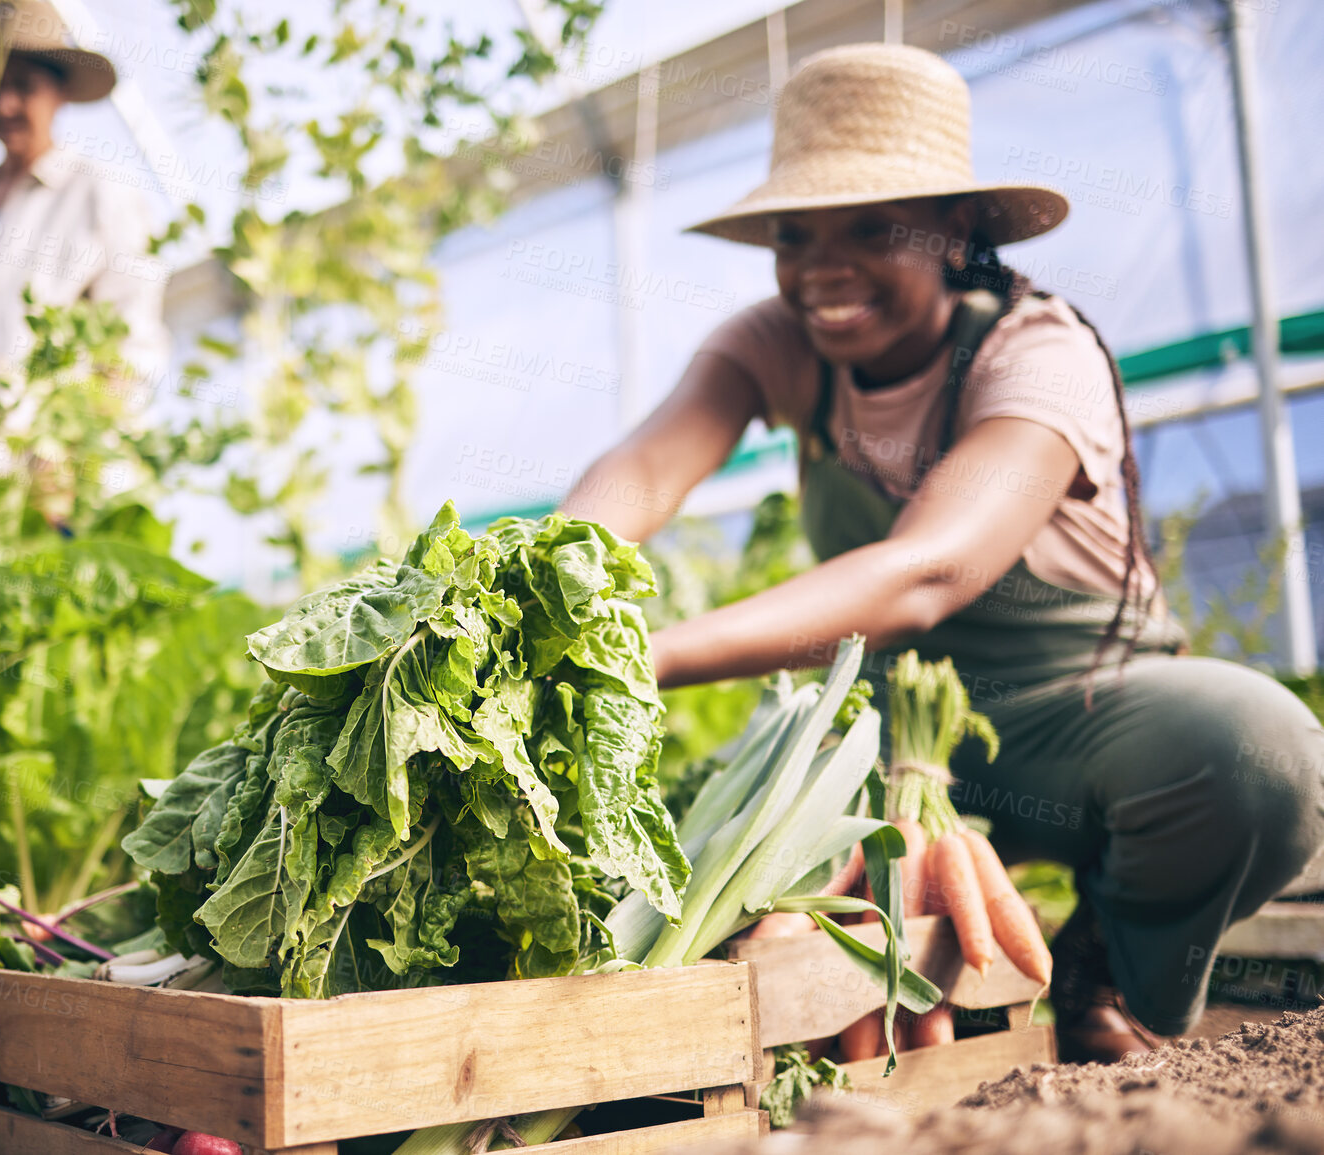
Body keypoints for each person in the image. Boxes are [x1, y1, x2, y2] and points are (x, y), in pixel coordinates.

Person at [561, 44, 1324, 1062]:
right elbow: (646, 471)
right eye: (795, 236)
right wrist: (547, 570)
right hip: (888, 734)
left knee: (1257, 756)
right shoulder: (776, 342)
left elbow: (929, 570)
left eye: (869, 228)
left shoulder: (1036, 351)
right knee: (722, 871)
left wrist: (645, 655)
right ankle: (888, 997)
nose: (821, 268)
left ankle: (1118, 968)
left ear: (952, 227)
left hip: (1076, 722)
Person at [0, 0, 168, 487]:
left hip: (36, 486)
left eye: (22, 86)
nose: (3, 104)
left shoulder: (99, 193)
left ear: (61, 93)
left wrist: (72, 456)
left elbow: (133, 346)